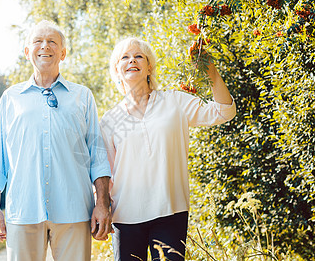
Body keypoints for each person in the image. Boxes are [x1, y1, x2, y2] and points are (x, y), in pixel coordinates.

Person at [0, 20, 112, 261]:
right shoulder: (10, 98)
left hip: (74, 210)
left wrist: (102, 204)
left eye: (52, 41)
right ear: (27, 52)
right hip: (23, 209)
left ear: (63, 53)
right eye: (38, 41)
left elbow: (98, 156)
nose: (45, 46)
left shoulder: (82, 96)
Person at [100, 37, 236, 261]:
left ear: (149, 66)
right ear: (117, 69)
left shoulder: (175, 102)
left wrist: (210, 71)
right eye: (125, 57)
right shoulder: (109, 120)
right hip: (125, 217)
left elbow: (224, 111)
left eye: (138, 56)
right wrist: (101, 209)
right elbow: (106, 174)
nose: (131, 60)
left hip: (170, 210)